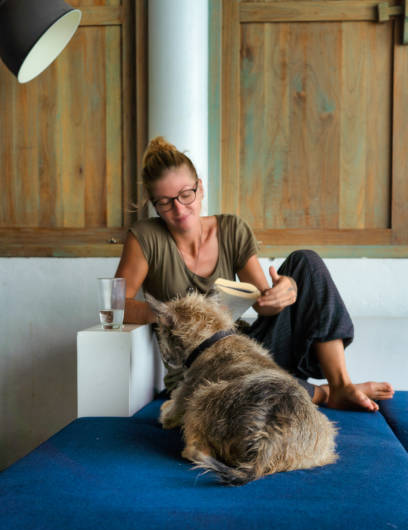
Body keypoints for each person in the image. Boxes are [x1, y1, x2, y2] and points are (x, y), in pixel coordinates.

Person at [115, 137, 394, 411]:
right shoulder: (144, 237)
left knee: (305, 262)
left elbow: (264, 305)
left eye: (186, 195)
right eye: (165, 202)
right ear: (154, 205)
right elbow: (116, 305)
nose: (178, 208)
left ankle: (342, 384)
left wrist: (282, 294)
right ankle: (322, 394)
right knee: (235, 387)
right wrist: (174, 314)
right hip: (199, 369)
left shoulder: (232, 229)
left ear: (200, 189)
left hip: (246, 349)